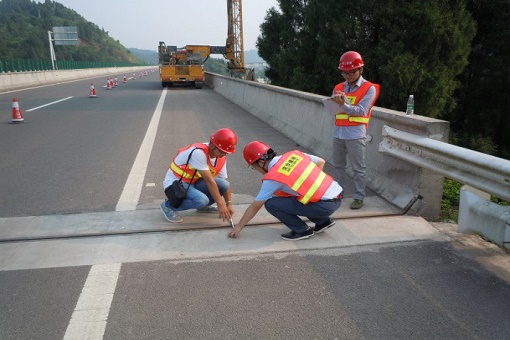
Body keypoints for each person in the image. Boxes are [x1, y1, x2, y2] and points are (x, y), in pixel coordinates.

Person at [228, 141, 343, 241]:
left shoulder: (274, 177)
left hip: (322, 207)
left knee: (271, 204)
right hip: (337, 196)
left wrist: (238, 227)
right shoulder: (294, 154)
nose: (257, 170)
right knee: (299, 197)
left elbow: (255, 206)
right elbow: (321, 162)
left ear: (261, 163)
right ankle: (323, 222)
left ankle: (302, 230)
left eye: (254, 167)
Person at [329, 51, 380, 210]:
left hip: (356, 135)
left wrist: (343, 105)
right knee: (338, 166)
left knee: (359, 168)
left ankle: (359, 197)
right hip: (338, 133)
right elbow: (333, 108)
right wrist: (333, 104)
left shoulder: (369, 88)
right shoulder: (338, 87)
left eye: (352, 72)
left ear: (361, 70)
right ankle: (338, 192)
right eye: (345, 72)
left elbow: (361, 110)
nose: (348, 75)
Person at [160, 128, 237, 223]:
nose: (224, 154)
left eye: (226, 152)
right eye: (222, 151)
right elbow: (209, 181)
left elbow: (226, 182)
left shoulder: (221, 157)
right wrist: (221, 205)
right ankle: (168, 206)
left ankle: (203, 208)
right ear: (212, 146)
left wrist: (229, 204)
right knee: (201, 200)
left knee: (224, 184)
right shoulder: (199, 153)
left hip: (193, 181)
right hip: (177, 183)